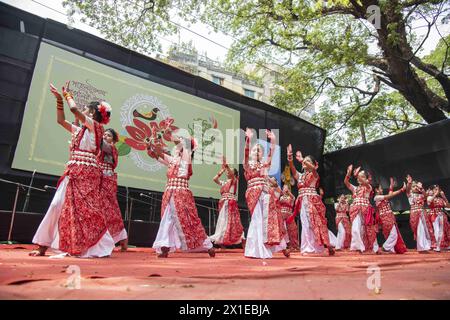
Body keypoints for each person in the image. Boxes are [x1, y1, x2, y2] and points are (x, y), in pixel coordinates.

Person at [30, 82, 115, 258]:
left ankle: (100, 244)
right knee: (56, 205)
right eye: (84, 108)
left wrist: (68, 96)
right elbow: (61, 121)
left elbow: (74, 111)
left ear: (92, 113)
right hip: (73, 172)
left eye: (86, 108)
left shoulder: (95, 127)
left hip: (87, 173)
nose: (83, 110)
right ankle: (43, 245)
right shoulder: (81, 130)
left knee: (88, 210)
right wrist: (59, 101)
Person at [151, 134, 215, 258]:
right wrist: (152, 143)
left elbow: (180, 143)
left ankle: (208, 246)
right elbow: (156, 154)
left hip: (181, 193)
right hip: (169, 192)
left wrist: (170, 133)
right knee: (167, 220)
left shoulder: (187, 156)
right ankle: (165, 247)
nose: (179, 142)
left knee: (189, 220)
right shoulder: (173, 159)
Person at [243, 128, 289, 259]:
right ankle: (255, 249)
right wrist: (248, 139)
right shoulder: (247, 165)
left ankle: (273, 246)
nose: (256, 152)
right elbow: (246, 153)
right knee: (257, 218)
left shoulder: (264, 165)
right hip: (253, 194)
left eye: (259, 150)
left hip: (265, 194)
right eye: (254, 150)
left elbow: (271, 153)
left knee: (267, 221)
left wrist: (273, 140)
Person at [286, 144, 335, 256]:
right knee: (305, 223)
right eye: (304, 161)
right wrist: (290, 159)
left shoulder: (314, 174)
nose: (305, 163)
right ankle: (308, 247)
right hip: (303, 201)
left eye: (308, 161)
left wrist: (303, 159)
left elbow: (313, 168)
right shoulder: (300, 176)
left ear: (313, 164)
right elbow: (293, 170)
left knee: (316, 223)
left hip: (313, 201)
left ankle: (324, 245)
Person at [98, 128, 128, 251]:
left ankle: (122, 239)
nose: (105, 136)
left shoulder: (111, 148)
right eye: (104, 134)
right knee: (100, 210)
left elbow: (100, 142)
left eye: (108, 135)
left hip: (107, 181)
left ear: (114, 140)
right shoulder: (101, 148)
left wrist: (94, 129)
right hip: (97, 179)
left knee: (110, 210)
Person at [209, 156, 245, 247]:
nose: (228, 172)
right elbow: (214, 179)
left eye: (231, 171)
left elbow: (232, 176)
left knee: (233, 223)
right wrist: (222, 170)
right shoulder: (225, 182)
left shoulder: (234, 180)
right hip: (223, 204)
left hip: (230, 204)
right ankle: (222, 242)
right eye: (228, 171)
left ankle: (241, 240)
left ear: (235, 174)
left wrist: (227, 166)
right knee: (222, 222)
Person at [344, 165, 379, 253]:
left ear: (368, 179)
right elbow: (346, 182)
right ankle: (358, 247)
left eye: (362, 176)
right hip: (355, 210)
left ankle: (374, 247)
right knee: (355, 228)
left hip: (366, 210)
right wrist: (348, 173)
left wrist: (356, 175)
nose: (360, 178)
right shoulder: (355, 189)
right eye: (359, 176)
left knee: (368, 229)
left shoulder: (369, 187)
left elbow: (364, 182)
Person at [373, 178, 407, 254]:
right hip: (385, 217)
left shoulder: (382, 197)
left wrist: (391, 186)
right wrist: (402, 190)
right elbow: (389, 196)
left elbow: (389, 194)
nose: (381, 189)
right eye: (380, 188)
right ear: (376, 190)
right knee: (394, 234)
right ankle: (385, 247)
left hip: (389, 217)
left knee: (391, 234)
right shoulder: (376, 197)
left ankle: (390, 249)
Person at [406, 175, 436, 252]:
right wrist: (409, 183)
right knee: (419, 230)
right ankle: (422, 247)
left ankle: (425, 246)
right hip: (415, 214)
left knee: (426, 229)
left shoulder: (421, 194)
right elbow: (407, 190)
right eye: (413, 187)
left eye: (416, 186)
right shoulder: (410, 195)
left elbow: (426, 196)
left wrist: (421, 188)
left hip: (422, 213)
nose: (415, 188)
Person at [427, 185, 450, 252]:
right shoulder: (430, 197)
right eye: (435, 189)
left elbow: (448, 206)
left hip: (441, 215)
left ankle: (443, 245)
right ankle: (437, 246)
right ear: (432, 190)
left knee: (443, 231)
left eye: (438, 189)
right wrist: (434, 195)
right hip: (434, 215)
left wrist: (444, 197)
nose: (437, 191)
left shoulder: (441, 199)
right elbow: (429, 202)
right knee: (437, 230)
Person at [279, 184, 299, 251]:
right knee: (283, 230)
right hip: (281, 215)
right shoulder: (280, 197)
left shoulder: (291, 197)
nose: (285, 189)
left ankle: (294, 245)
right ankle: (284, 246)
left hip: (289, 215)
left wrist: (289, 193)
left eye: (286, 188)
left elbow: (294, 198)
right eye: (284, 188)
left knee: (292, 230)